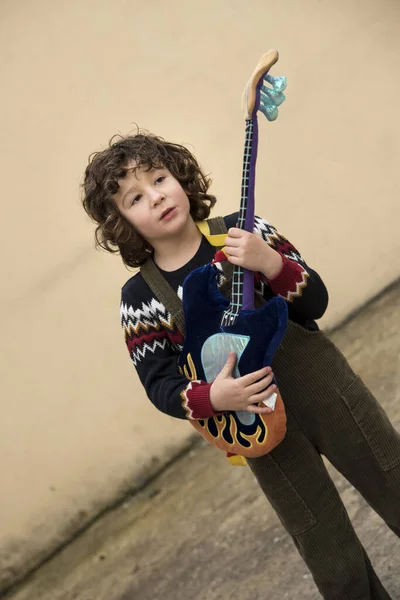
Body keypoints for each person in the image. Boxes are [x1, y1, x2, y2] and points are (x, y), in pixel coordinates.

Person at [82, 131, 400, 599]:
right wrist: (214, 397)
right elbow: (160, 385)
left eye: (159, 178)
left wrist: (270, 262)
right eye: (135, 197)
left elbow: (316, 301)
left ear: (181, 179)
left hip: (327, 392)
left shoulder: (246, 232)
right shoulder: (140, 299)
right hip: (255, 425)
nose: (156, 196)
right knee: (324, 543)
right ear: (121, 222)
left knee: (390, 473)